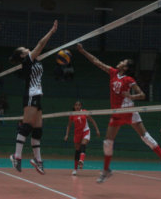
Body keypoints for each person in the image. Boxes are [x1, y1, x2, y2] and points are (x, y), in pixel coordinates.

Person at [77, 43, 161, 183]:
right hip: (116, 114)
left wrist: (131, 96)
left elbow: (142, 95)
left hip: (129, 111)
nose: (120, 62)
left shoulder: (129, 80)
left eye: (123, 62)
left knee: (146, 137)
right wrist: (83, 51)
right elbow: (97, 62)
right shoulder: (113, 73)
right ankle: (106, 170)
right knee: (107, 142)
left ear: (126, 67)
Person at [9, 20, 58, 174]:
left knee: (38, 130)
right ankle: (16, 156)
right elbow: (41, 44)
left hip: (37, 95)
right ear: (23, 54)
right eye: (24, 49)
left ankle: (37, 160)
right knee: (27, 126)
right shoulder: (28, 59)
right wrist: (52, 31)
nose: (27, 48)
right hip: (31, 95)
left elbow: (40, 49)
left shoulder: (34, 59)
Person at [64, 101, 100, 176]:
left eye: (79, 105)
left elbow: (92, 120)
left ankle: (81, 160)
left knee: (83, 144)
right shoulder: (72, 115)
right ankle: (75, 169)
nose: (77, 106)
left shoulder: (84, 112)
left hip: (85, 131)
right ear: (74, 106)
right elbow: (69, 126)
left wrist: (97, 130)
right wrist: (67, 135)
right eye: (76, 105)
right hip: (77, 134)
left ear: (81, 106)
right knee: (77, 151)